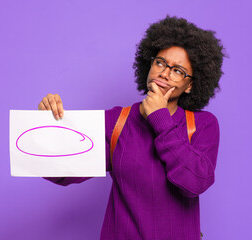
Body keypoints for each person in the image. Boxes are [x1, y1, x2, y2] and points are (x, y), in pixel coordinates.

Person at [40, 16, 224, 240]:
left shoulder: (203, 124)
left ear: (190, 85)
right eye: (160, 63)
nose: (164, 73)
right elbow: (64, 172)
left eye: (177, 71)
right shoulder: (117, 120)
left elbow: (195, 183)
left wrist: (160, 118)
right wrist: (45, 127)